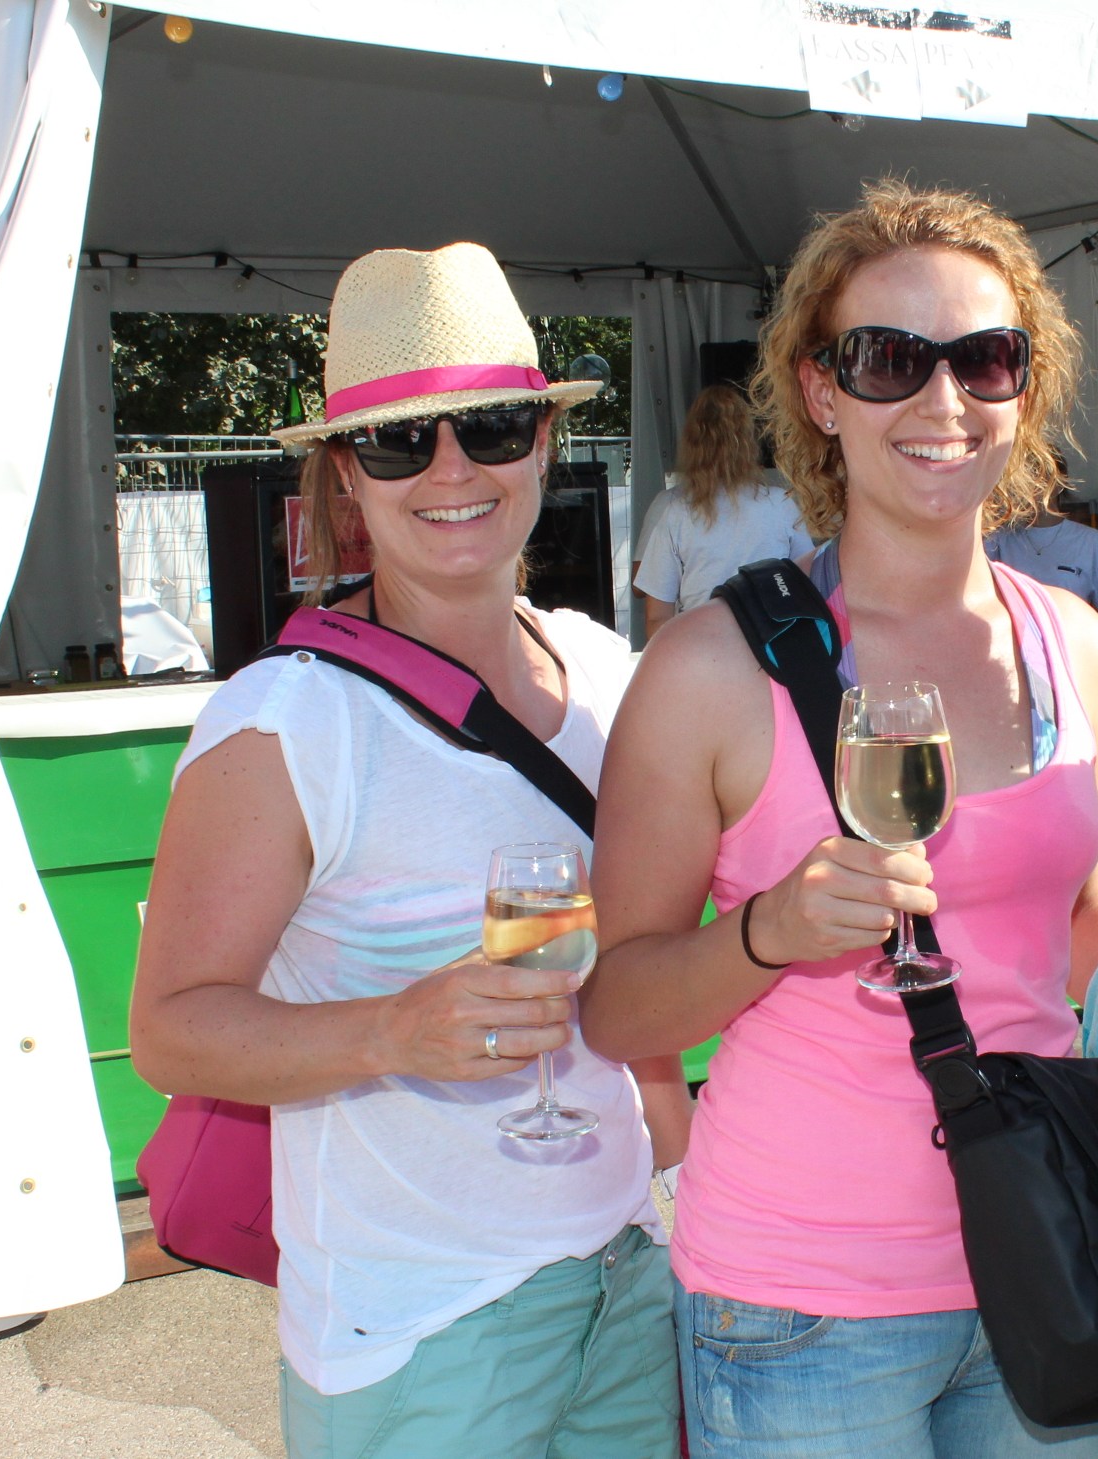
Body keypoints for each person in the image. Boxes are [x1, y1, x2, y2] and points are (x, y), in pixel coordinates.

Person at [579, 179, 1098, 1459]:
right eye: (890, 359)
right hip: (804, 1301)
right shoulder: (711, 668)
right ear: (821, 392)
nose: (942, 400)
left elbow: (1068, 913)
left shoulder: (1071, 641)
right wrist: (768, 933)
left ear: (1023, 390)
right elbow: (615, 1010)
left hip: (1044, 1254)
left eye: (983, 359)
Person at [128, 243, 688, 1459]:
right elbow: (170, 1028)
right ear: (346, 474)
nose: (450, 468)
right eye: (397, 441)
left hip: (623, 1280)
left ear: (543, 442)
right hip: (422, 1332)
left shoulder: (605, 673)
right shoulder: (284, 722)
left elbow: (638, 962)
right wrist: (392, 1031)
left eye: (488, 427)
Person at [633, 382, 814, 641]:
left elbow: (657, 616)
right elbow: (808, 583)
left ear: (692, 443)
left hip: (703, 646)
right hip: (771, 645)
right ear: (748, 441)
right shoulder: (782, 504)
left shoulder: (675, 513)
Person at [983, 463, 1098, 620]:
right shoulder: (998, 540)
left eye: (1038, 477)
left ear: (1059, 483)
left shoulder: (1091, 542)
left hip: (1073, 635)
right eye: (1022, 479)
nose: (1029, 486)